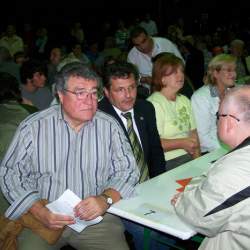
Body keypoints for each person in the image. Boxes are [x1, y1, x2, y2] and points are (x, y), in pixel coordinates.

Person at [0, 62, 139, 250]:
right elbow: (10, 174)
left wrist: (104, 200)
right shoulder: (34, 127)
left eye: (93, 93)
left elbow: (128, 170)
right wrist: (39, 211)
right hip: (45, 215)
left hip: (95, 218)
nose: (90, 102)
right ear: (61, 94)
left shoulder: (108, 126)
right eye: (80, 93)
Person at [98, 61, 166, 250]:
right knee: (151, 233)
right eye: (120, 90)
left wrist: (159, 185)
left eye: (132, 88)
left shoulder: (146, 108)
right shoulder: (97, 118)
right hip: (116, 192)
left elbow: (155, 151)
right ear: (106, 92)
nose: (128, 95)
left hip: (149, 185)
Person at [172, 85, 250, 250]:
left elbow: (198, 214)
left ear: (228, 122)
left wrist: (182, 199)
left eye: (218, 116)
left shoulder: (238, 168)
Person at [148, 53, 200, 170]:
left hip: (190, 156)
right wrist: (182, 143)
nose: (180, 75)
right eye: (174, 72)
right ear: (162, 78)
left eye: (181, 71)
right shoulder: (154, 104)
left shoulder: (184, 100)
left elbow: (193, 134)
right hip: (168, 161)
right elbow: (154, 143)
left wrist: (198, 162)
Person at [191, 54, 236, 154]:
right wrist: (229, 150)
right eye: (229, 70)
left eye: (234, 70)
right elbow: (202, 137)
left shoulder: (232, 92)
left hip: (231, 146)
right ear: (216, 73)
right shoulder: (201, 97)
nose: (234, 74)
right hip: (211, 151)